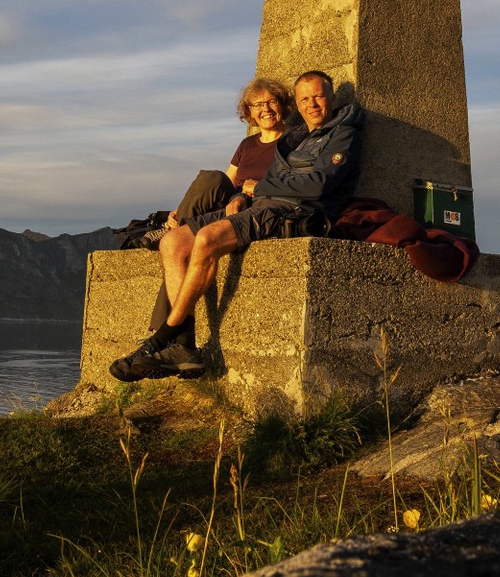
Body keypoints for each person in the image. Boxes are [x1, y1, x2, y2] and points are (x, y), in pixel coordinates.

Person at [110, 71, 364, 382]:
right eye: (305, 99)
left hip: (291, 211)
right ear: (296, 104)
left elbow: (319, 184)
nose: (312, 104)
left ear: (332, 98)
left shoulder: (343, 134)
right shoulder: (297, 140)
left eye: (319, 96)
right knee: (173, 242)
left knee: (206, 238)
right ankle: (184, 347)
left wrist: (259, 189)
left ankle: (161, 339)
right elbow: (248, 184)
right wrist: (250, 194)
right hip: (259, 204)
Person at [141, 77, 293, 328]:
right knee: (211, 178)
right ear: (249, 112)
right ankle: (177, 220)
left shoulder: (292, 141)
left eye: (270, 102)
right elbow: (227, 181)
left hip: (258, 206)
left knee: (175, 246)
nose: (265, 109)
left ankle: (164, 327)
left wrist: (248, 193)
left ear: (282, 105)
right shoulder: (247, 145)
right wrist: (184, 206)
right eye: (257, 105)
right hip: (232, 202)